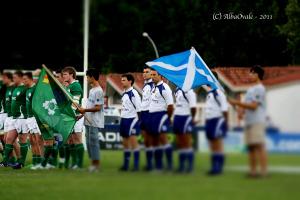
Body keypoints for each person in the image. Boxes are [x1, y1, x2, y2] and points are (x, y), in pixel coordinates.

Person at [228, 65, 268, 177]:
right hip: (249, 121)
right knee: (251, 147)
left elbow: (254, 106)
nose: (250, 75)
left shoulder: (260, 88)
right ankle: (253, 171)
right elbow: (244, 106)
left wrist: (237, 103)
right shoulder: (250, 90)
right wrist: (239, 111)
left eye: (252, 73)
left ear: (257, 75)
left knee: (259, 146)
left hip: (257, 121)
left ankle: (264, 172)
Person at [78, 68, 104, 172]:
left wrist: (85, 110)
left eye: (88, 77)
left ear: (92, 77)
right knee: (89, 143)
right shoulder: (92, 90)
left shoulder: (99, 91)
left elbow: (98, 107)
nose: (87, 79)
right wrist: (82, 114)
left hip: (94, 121)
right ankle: (93, 163)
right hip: (88, 120)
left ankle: (96, 165)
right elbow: (90, 105)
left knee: (93, 143)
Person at [0, 71, 28, 169]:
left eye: (15, 77)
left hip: (22, 118)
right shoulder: (15, 88)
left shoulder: (25, 89)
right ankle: (5, 161)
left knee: (22, 140)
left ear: (20, 78)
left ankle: (21, 162)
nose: (14, 79)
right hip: (13, 118)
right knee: (8, 139)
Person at [148, 69, 174, 171]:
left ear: (161, 76)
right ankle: (158, 166)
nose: (152, 77)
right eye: (152, 75)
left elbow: (171, 106)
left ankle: (170, 165)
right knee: (154, 141)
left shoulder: (165, 88)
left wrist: (168, 118)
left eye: (154, 75)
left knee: (163, 139)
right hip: (153, 116)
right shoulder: (154, 87)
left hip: (161, 116)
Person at [204, 71, 228, 175]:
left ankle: (219, 168)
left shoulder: (218, 92)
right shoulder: (210, 93)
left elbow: (224, 108)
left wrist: (225, 123)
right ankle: (214, 167)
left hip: (217, 120)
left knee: (218, 144)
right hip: (210, 121)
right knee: (212, 145)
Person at [62, 66, 84, 169]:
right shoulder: (68, 86)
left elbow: (76, 102)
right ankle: (73, 162)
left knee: (77, 139)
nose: (63, 76)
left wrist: (73, 114)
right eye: (63, 75)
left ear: (71, 75)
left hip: (75, 116)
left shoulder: (76, 86)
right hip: (69, 116)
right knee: (70, 140)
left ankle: (78, 164)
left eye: (65, 74)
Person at [119, 73, 141, 171]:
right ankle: (126, 165)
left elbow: (139, 110)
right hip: (124, 120)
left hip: (132, 120)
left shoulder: (134, 93)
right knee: (125, 143)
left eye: (124, 80)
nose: (122, 82)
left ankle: (136, 166)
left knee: (133, 143)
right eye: (121, 80)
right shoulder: (124, 93)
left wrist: (138, 122)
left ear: (130, 81)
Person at [173, 88, 197, 173]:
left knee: (186, 142)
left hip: (185, 117)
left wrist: (193, 118)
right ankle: (181, 166)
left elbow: (193, 107)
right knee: (180, 143)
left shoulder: (189, 90)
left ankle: (190, 167)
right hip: (177, 117)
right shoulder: (177, 90)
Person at [23, 72, 43, 170]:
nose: (24, 81)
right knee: (32, 140)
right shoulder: (27, 90)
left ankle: (40, 162)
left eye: (25, 79)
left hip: (35, 118)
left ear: (30, 79)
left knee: (38, 140)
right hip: (29, 118)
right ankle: (35, 162)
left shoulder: (35, 89)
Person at [140, 66, 155, 171]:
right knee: (146, 140)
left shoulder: (153, 86)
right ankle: (149, 163)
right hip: (143, 113)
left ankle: (152, 164)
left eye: (147, 72)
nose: (144, 74)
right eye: (143, 72)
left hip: (150, 113)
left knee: (151, 140)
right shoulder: (145, 86)